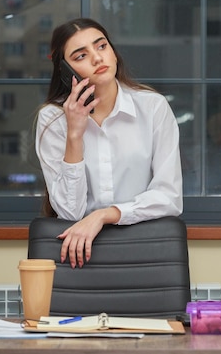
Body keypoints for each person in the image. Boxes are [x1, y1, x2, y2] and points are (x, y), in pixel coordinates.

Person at [35, 18, 183, 269]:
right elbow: (69, 213)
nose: (96, 58)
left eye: (101, 46)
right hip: (77, 258)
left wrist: (104, 215)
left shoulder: (153, 108)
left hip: (145, 253)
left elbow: (169, 197)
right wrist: (74, 134)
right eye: (81, 55)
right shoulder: (52, 119)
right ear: (65, 71)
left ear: (113, 53)